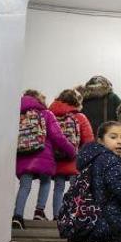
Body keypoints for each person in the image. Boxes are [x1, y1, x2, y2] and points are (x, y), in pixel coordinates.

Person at [13, 90, 75, 229]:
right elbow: (58, 136)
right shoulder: (46, 114)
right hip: (43, 154)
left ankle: (17, 216)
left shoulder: (18, 114)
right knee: (46, 181)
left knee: (25, 186)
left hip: (23, 155)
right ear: (38, 100)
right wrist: (71, 152)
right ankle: (39, 211)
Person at [49, 89, 94, 219]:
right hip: (75, 160)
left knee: (58, 188)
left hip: (57, 159)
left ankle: (56, 216)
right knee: (76, 189)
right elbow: (88, 141)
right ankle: (72, 216)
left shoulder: (51, 116)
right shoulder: (80, 117)